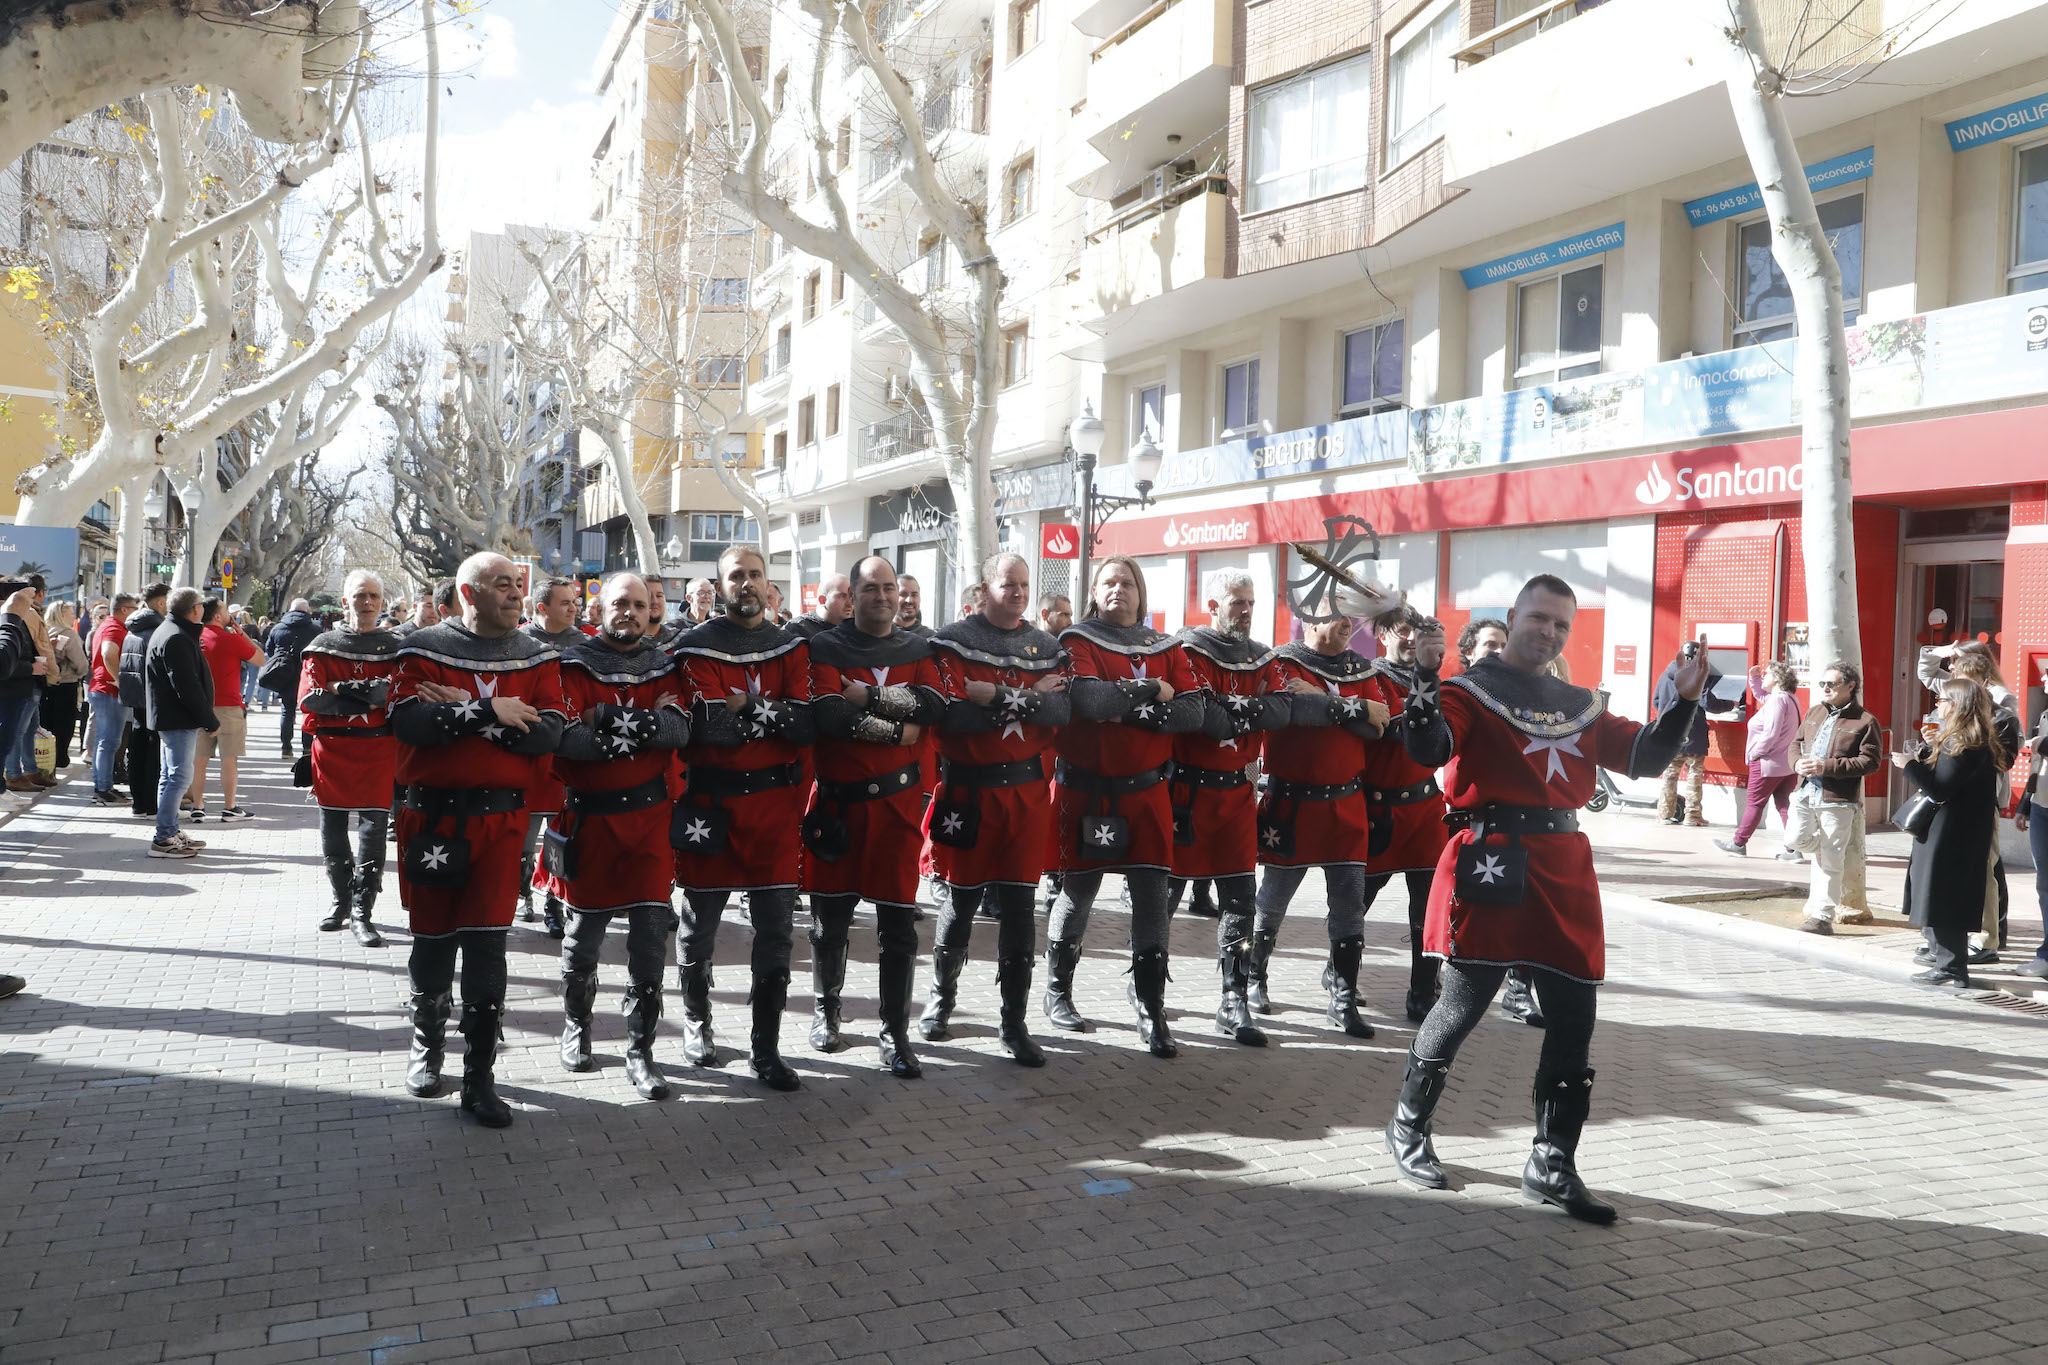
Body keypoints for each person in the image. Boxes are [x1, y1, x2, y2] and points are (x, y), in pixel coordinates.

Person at [1386, 574, 1708, 1224]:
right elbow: (1429, 747)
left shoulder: (1578, 700)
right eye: (1539, 618)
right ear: (1514, 616)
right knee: (1462, 1002)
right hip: (1493, 855)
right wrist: (1423, 675)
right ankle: (1408, 1125)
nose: (1549, 632)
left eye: (1561, 624)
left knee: (1574, 1012)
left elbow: (1642, 757)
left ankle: (1551, 1160)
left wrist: (1681, 699)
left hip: (1562, 863)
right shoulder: (1468, 689)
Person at [389, 552, 566, 1128]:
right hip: (432, 822)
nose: (516, 594)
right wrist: (492, 709)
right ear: (469, 592)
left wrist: (460, 714)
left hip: (501, 824)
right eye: (501, 585)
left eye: (518, 585)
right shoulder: (421, 649)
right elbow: (410, 723)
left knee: (488, 945)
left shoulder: (538, 656)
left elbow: (549, 735)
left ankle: (480, 1078)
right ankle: (427, 1047)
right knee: (433, 942)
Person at [1044, 556, 1206, 1057]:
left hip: (1145, 792)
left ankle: (1150, 1006)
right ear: (1095, 591)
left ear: (1141, 591)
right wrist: (1156, 694)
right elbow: (1090, 702)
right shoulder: (1077, 641)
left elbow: (1194, 710)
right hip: (1086, 790)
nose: (1119, 589)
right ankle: (1057, 992)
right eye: (1109, 582)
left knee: (1153, 898)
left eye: (1127, 582)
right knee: (1078, 894)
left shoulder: (1168, 646)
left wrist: (1128, 711)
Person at [669, 544, 815, 1092]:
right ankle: (697, 1021)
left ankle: (766, 1047)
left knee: (776, 932)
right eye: (737, 576)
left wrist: (744, 707)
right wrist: (769, 716)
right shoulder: (695, 647)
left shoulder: (792, 645)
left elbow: (805, 722)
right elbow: (708, 727)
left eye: (755, 575)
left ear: (768, 583)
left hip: (774, 808)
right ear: (720, 584)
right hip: (711, 806)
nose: (747, 584)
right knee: (698, 927)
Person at [543, 573, 691, 1101]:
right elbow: (566, 738)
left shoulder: (666, 664)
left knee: (650, 942)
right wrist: (644, 725)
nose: (628, 611)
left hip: (650, 823)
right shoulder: (570, 665)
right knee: (582, 940)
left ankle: (640, 1049)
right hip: (590, 823)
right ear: (598, 607)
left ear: (651, 609)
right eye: (618, 604)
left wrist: (605, 717)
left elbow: (679, 731)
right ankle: (576, 1028)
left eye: (637, 604)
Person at [920, 551, 1068, 1067]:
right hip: (968, 793)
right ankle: (941, 1001)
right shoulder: (952, 641)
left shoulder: (1048, 647)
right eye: (1009, 583)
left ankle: (1014, 1022)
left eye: (1025, 584)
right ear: (985, 587)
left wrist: (1000, 695)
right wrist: (1029, 697)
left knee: (1020, 911)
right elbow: (952, 716)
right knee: (959, 903)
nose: (1020, 592)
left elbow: (1062, 709)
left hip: (1026, 796)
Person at [803, 556, 947, 1078]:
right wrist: (897, 729)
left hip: (896, 809)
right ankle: (827, 1013)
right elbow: (829, 714)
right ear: (852, 594)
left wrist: (870, 697)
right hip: (838, 804)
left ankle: (894, 1032)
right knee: (829, 923)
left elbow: (934, 705)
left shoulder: (920, 648)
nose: (884, 597)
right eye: (871, 589)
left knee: (897, 927)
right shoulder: (824, 647)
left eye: (890, 589)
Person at [1253, 608, 1391, 1040]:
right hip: (1291, 805)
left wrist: (1323, 701)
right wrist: (1356, 708)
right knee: (1272, 901)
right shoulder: (1281, 663)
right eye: (1335, 615)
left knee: (1349, 907)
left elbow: (1378, 729)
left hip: (1345, 806)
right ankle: (1252, 978)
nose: (1349, 622)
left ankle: (1343, 996)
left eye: (1351, 615)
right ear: (1310, 623)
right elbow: (1292, 712)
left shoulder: (1361, 668)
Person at [1169, 568, 1288, 1047]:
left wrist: (1229, 706)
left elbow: (1283, 710)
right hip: (1187, 797)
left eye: (1250, 602)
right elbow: (1204, 718)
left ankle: (1233, 999)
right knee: (1164, 901)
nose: (1244, 610)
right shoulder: (1187, 649)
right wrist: (1244, 708)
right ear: (1212, 606)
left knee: (1240, 903)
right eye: (1236, 601)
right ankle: (1149, 993)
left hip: (1238, 798)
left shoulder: (1263, 655)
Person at [1361, 605, 1455, 1026]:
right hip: (1377, 809)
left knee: (1427, 907)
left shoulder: (1438, 683)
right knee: (1356, 902)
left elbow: (1441, 736)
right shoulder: (1367, 678)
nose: (1412, 640)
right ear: (1383, 635)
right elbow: (1390, 730)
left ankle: (1421, 992)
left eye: (1419, 633)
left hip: (1423, 809)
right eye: (1403, 632)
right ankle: (1338, 972)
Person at [298, 570, 402, 949]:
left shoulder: (396, 646)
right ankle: (341, 901)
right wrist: (368, 696)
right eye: (360, 595)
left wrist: (341, 686)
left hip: (379, 749)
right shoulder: (323, 645)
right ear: (345, 602)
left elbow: (394, 694)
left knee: (374, 832)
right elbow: (312, 698)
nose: (368, 602)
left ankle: (363, 910)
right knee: (333, 831)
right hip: (333, 749)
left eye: (374, 595)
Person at [1453, 619, 1543, 1024]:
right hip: (1463, 821)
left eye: (1502, 644)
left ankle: (1518, 990)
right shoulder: (1460, 694)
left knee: (1521, 907)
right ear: (1469, 651)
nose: (1497, 651)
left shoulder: (1520, 698)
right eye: (1489, 644)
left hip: (1515, 825)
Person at [1896, 678, 2004, 989]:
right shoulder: (1963, 740)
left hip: (1953, 833)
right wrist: (1927, 749)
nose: (1937, 705)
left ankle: (1951, 967)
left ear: (1957, 705)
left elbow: (1940, 788)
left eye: (1942, 699)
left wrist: (1909, 765)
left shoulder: (1965, 743)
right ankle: (1945, 962)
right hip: (1951, 829)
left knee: (1943, 895)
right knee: (1935, 892)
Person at [1924, 642, 2021, 959]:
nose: (1952, 688)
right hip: (1947, 797)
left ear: (1980, 680)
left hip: (1980, 801)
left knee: (1985, 868)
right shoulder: (1952, 712)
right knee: (1949, 870)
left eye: (1960, 677)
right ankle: (1947, 938)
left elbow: (2003, 761)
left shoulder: (2001, 714)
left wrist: (1967, 744)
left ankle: (1988, 938)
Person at [1785, 662, 1882, 935]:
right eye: (1822, 684)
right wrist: (1797, 764)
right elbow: (1795, 744)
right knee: (1794, 839)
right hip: (1804, 791)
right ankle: (1826, 850)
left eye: (1832, 684)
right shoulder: (1814, 712)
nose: (1825, 689)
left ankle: (1822, 917)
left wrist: (1826, 766)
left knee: (1832, 859)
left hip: (1837, 799)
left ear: (1851, 686)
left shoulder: (1865, 721)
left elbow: (1870, 762)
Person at [519, 578, 583, 938]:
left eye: (574, 602)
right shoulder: (517, 643)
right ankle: (522, 894)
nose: (574, 608)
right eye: (565, 603)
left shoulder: (586, 644)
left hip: (569, 753)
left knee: (560, 837)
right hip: (530, 751)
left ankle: (554, 903)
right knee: (525, 840)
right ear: (542, 608)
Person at [144, 588, 219, 859]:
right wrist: (209, 720)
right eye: (200, 605)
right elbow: (186, 686)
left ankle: (169, 830)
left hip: (174, 717)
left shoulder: (175, 632)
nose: (203, 609)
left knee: (171, 776)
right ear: (194, 610)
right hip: (177, 718)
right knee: (179, 776)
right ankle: (163, 837)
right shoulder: (175, 637)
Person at [1716, 662, 1803, 859]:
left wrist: (1755, 753)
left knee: (1755, 804)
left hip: (1767, 763)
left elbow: (1770, 733)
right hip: (1786, 764)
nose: (1764, 676)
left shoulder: (1778, 701)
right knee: (1784, 806)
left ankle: (1738, 843)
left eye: (1767, 674)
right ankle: (1793, 849)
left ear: (1778, 679)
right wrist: (1753, 679)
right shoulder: (1788, 698)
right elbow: (1763, 697)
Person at [185, 598, 262, 821]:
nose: (229, 613)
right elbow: (260, 659)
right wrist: (243, 635)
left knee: (199, 760)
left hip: (199, 706)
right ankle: (229, 807)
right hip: (229, 707)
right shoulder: (230, 639)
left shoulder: (192, 639)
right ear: (218, 616)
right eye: (225, 610)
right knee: (229, 760)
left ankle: (197, 806)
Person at [1653, 649, 1735, 826]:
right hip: (1693, 735)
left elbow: (1656, 702)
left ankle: (1664, 814)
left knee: (1670, 776)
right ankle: (1692, 816)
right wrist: (1731, 704)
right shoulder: (1695, 676)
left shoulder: (1665, 675)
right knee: (1694, 776)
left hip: (1670, 735)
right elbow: (1709, 703)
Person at [118, 585, 171, 818]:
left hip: (137, 698)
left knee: (138, 748)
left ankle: (140, 802)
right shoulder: (157, 629)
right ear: (160, 603)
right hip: (153, 699)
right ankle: (150, 803)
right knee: (153, 752)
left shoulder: (133, 628)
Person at [4, 575, 55, 791]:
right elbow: (16, 654)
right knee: (17, 730)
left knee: (29, 727)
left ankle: (29, 770)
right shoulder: (20, 615)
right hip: (23, 681)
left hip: (30, 679)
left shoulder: (24, 615)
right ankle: (14, 775)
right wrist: (46, 671)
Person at [87, 594, 136, 805]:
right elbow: (108, 653)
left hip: (103, 689)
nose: (137, 612)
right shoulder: (115, 628)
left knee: (105, 742)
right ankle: (103, 789)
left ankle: (103, 786)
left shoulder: (109, 624)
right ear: (124, 609)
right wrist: (119, 680)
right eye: (134, 608)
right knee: (109, 742)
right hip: (108, 691)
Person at [2013, 706, 2048, 980]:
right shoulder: (2045, 714)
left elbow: (2041, 751)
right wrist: (2026, 802)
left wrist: (2041, 743)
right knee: (2045, 885)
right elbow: (2038, 764)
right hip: (2042, 806)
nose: (2045, 679)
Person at [264, 598, 324, 758]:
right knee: (308, 711)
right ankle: (306, 748)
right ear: (307, 612)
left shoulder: (278, 628)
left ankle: (286, 748)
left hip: (285, 675)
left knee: (287, 711)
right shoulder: (315, 630)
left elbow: (269, 651)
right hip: (309, 675)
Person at [44, 602, 88, 770]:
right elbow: (80, 663)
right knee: (64, 723)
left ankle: (47, 757)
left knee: (47, 721)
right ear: (62, 615)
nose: (74, 617)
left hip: (47, 683)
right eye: (71, 613)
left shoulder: (45, 632)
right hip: (66, 683)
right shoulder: (68, 634)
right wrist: (82, 672)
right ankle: (60, 757)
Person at [791, 574, 852, 640]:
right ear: (822, 600)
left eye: (851, 596)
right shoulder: (797, 629)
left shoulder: (855, 630)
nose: (850, 603)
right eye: (842, 596)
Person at [896, 573, 933, 638]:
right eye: (903, 594)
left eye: (914, 595)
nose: (909, 600)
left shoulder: (930, 640)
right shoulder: (880, 635)